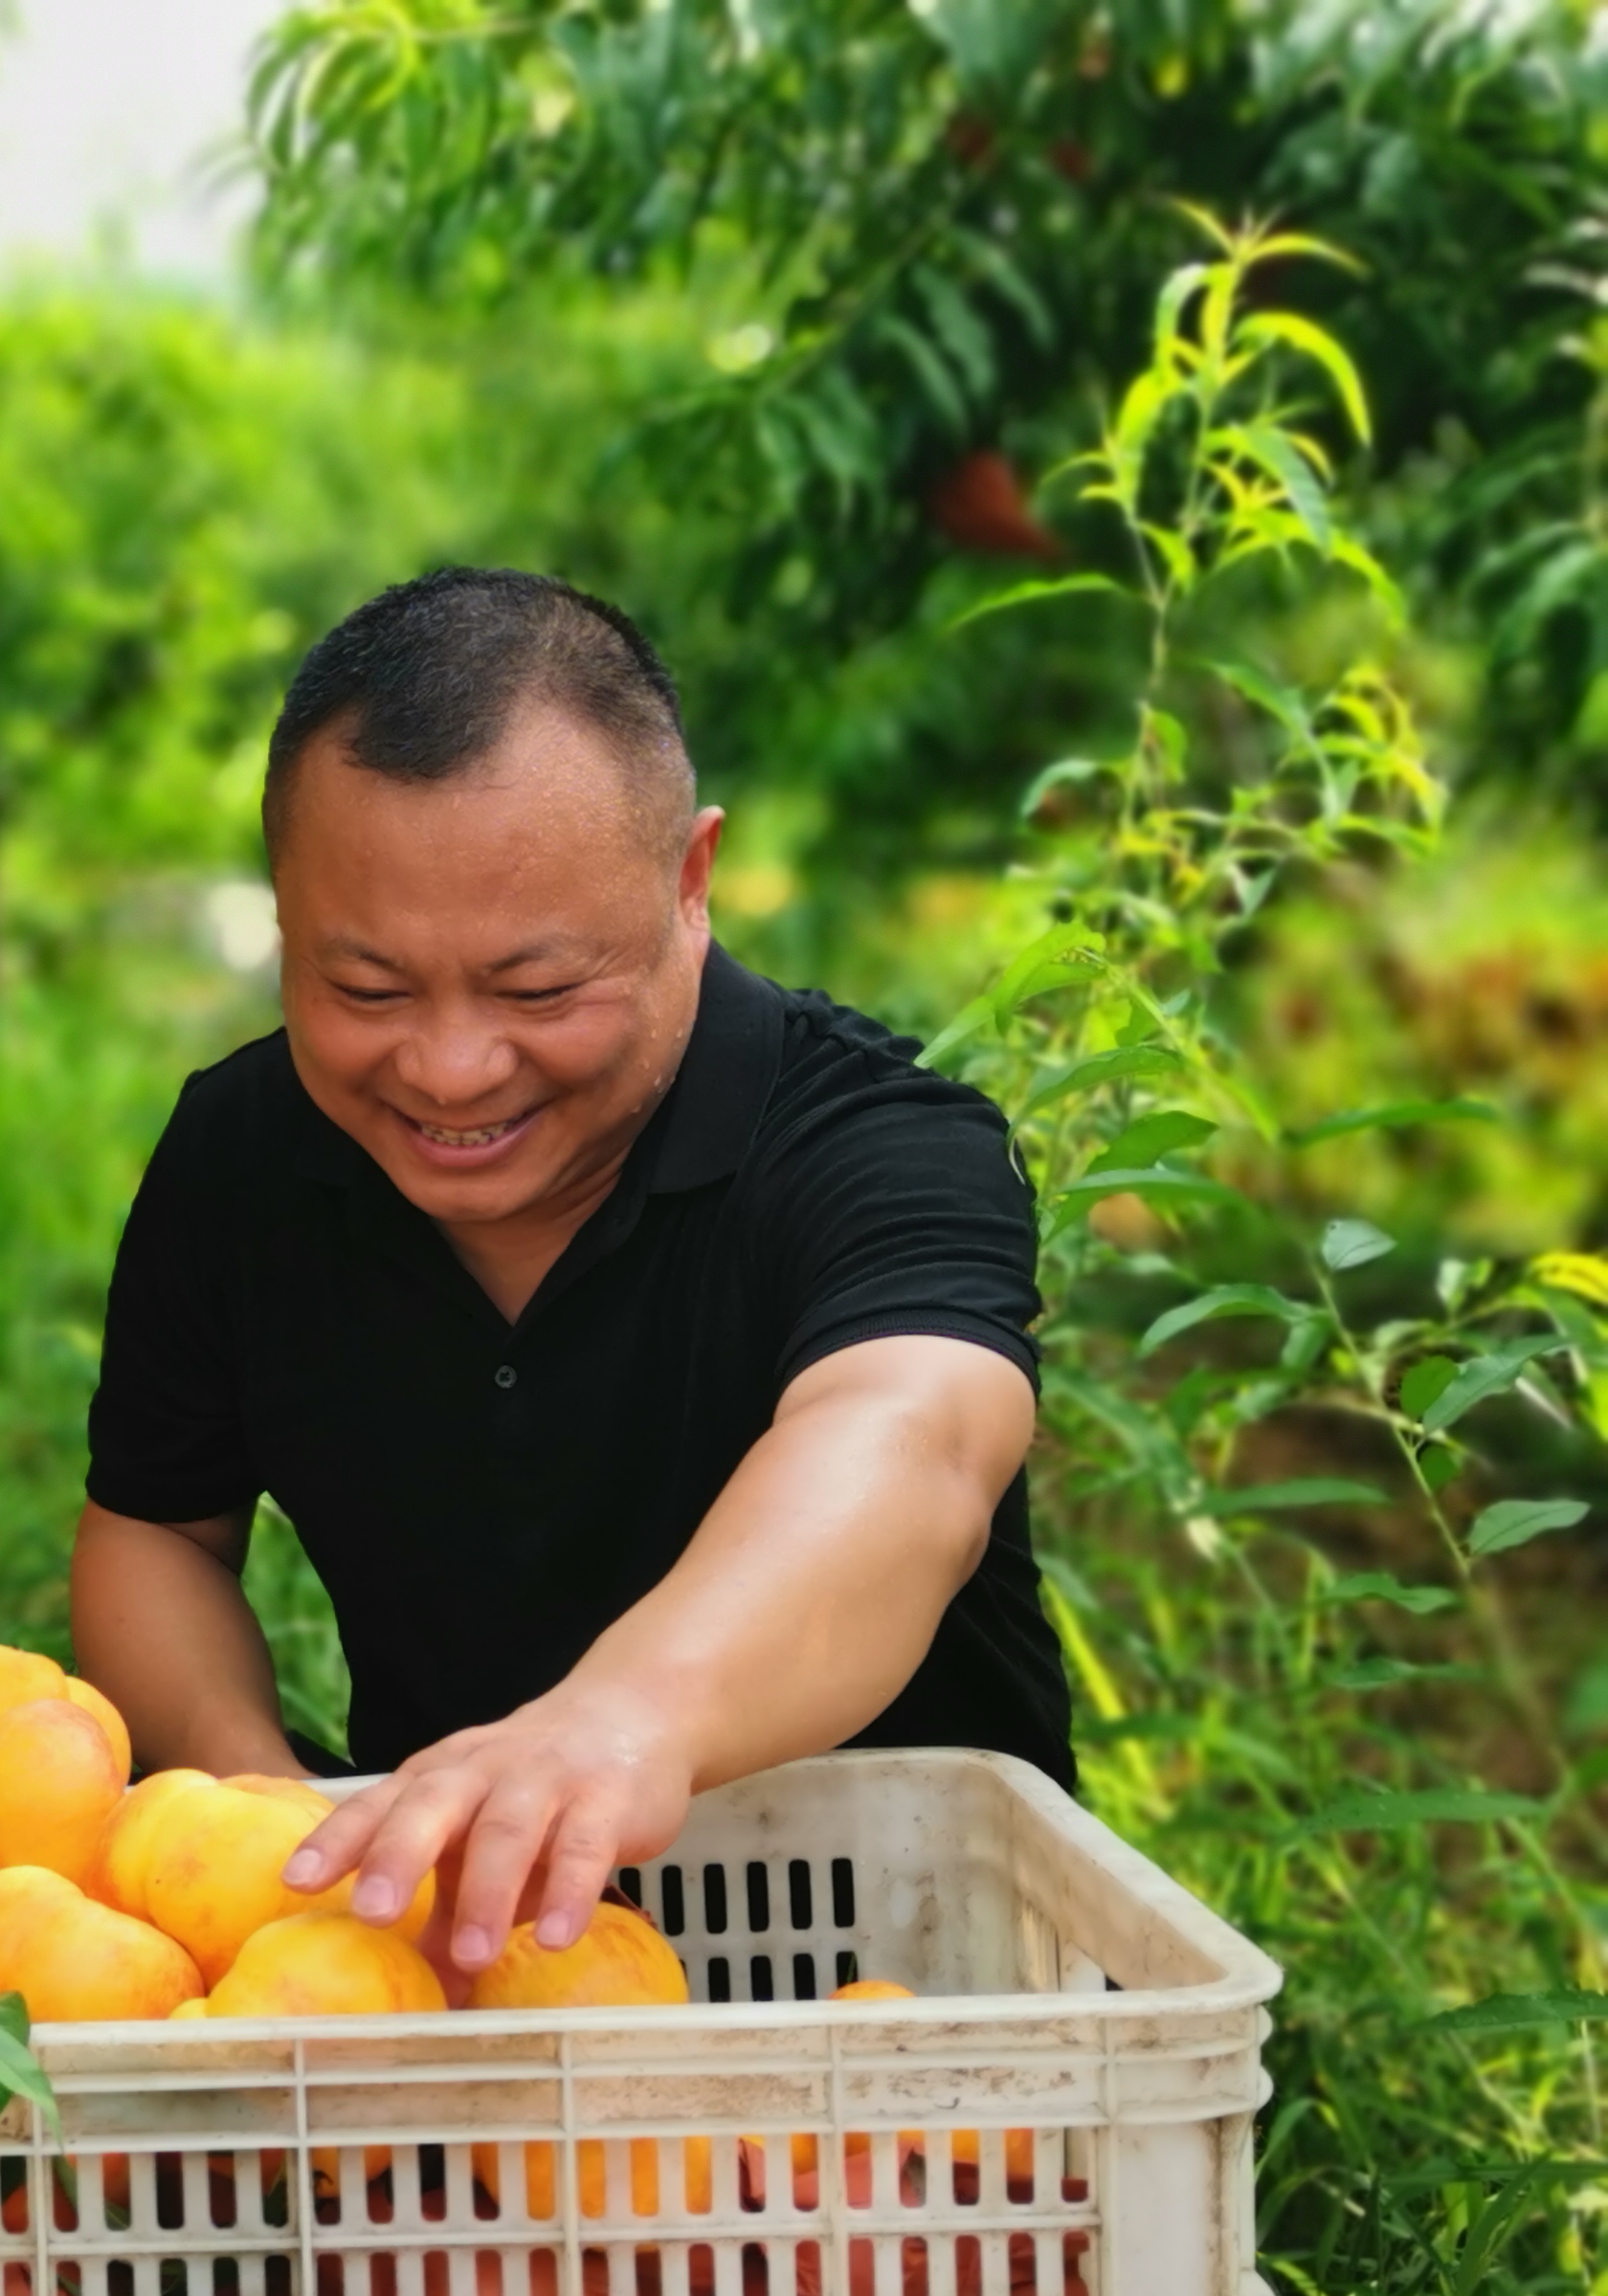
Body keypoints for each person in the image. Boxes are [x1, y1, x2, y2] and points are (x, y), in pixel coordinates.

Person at [72, 567, 1070, 1984]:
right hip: (468, 1986)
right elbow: (155, 1533)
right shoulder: (245, 1157)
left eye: (537, 991)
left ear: (689, 880)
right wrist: (262, 1815)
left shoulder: (876, 1147)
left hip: (896, 2007)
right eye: (365, 989)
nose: (451, 1069)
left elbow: (908, 1447)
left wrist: (625, 1719)